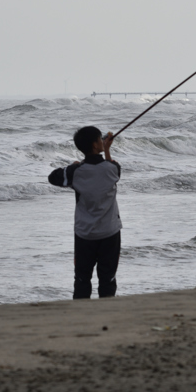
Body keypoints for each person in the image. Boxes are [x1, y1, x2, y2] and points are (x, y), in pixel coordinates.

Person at [48, 126, 122, 299]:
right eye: (99, 140)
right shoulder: (111, 169)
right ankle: (106, 314)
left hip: (84, 234)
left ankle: (81, 316)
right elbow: (115, 169)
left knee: (82, 280)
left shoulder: (75, 172)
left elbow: (53, 177)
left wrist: (75, 166)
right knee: (107, 279)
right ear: (97, 144)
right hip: (110, 232)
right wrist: (108, 150)